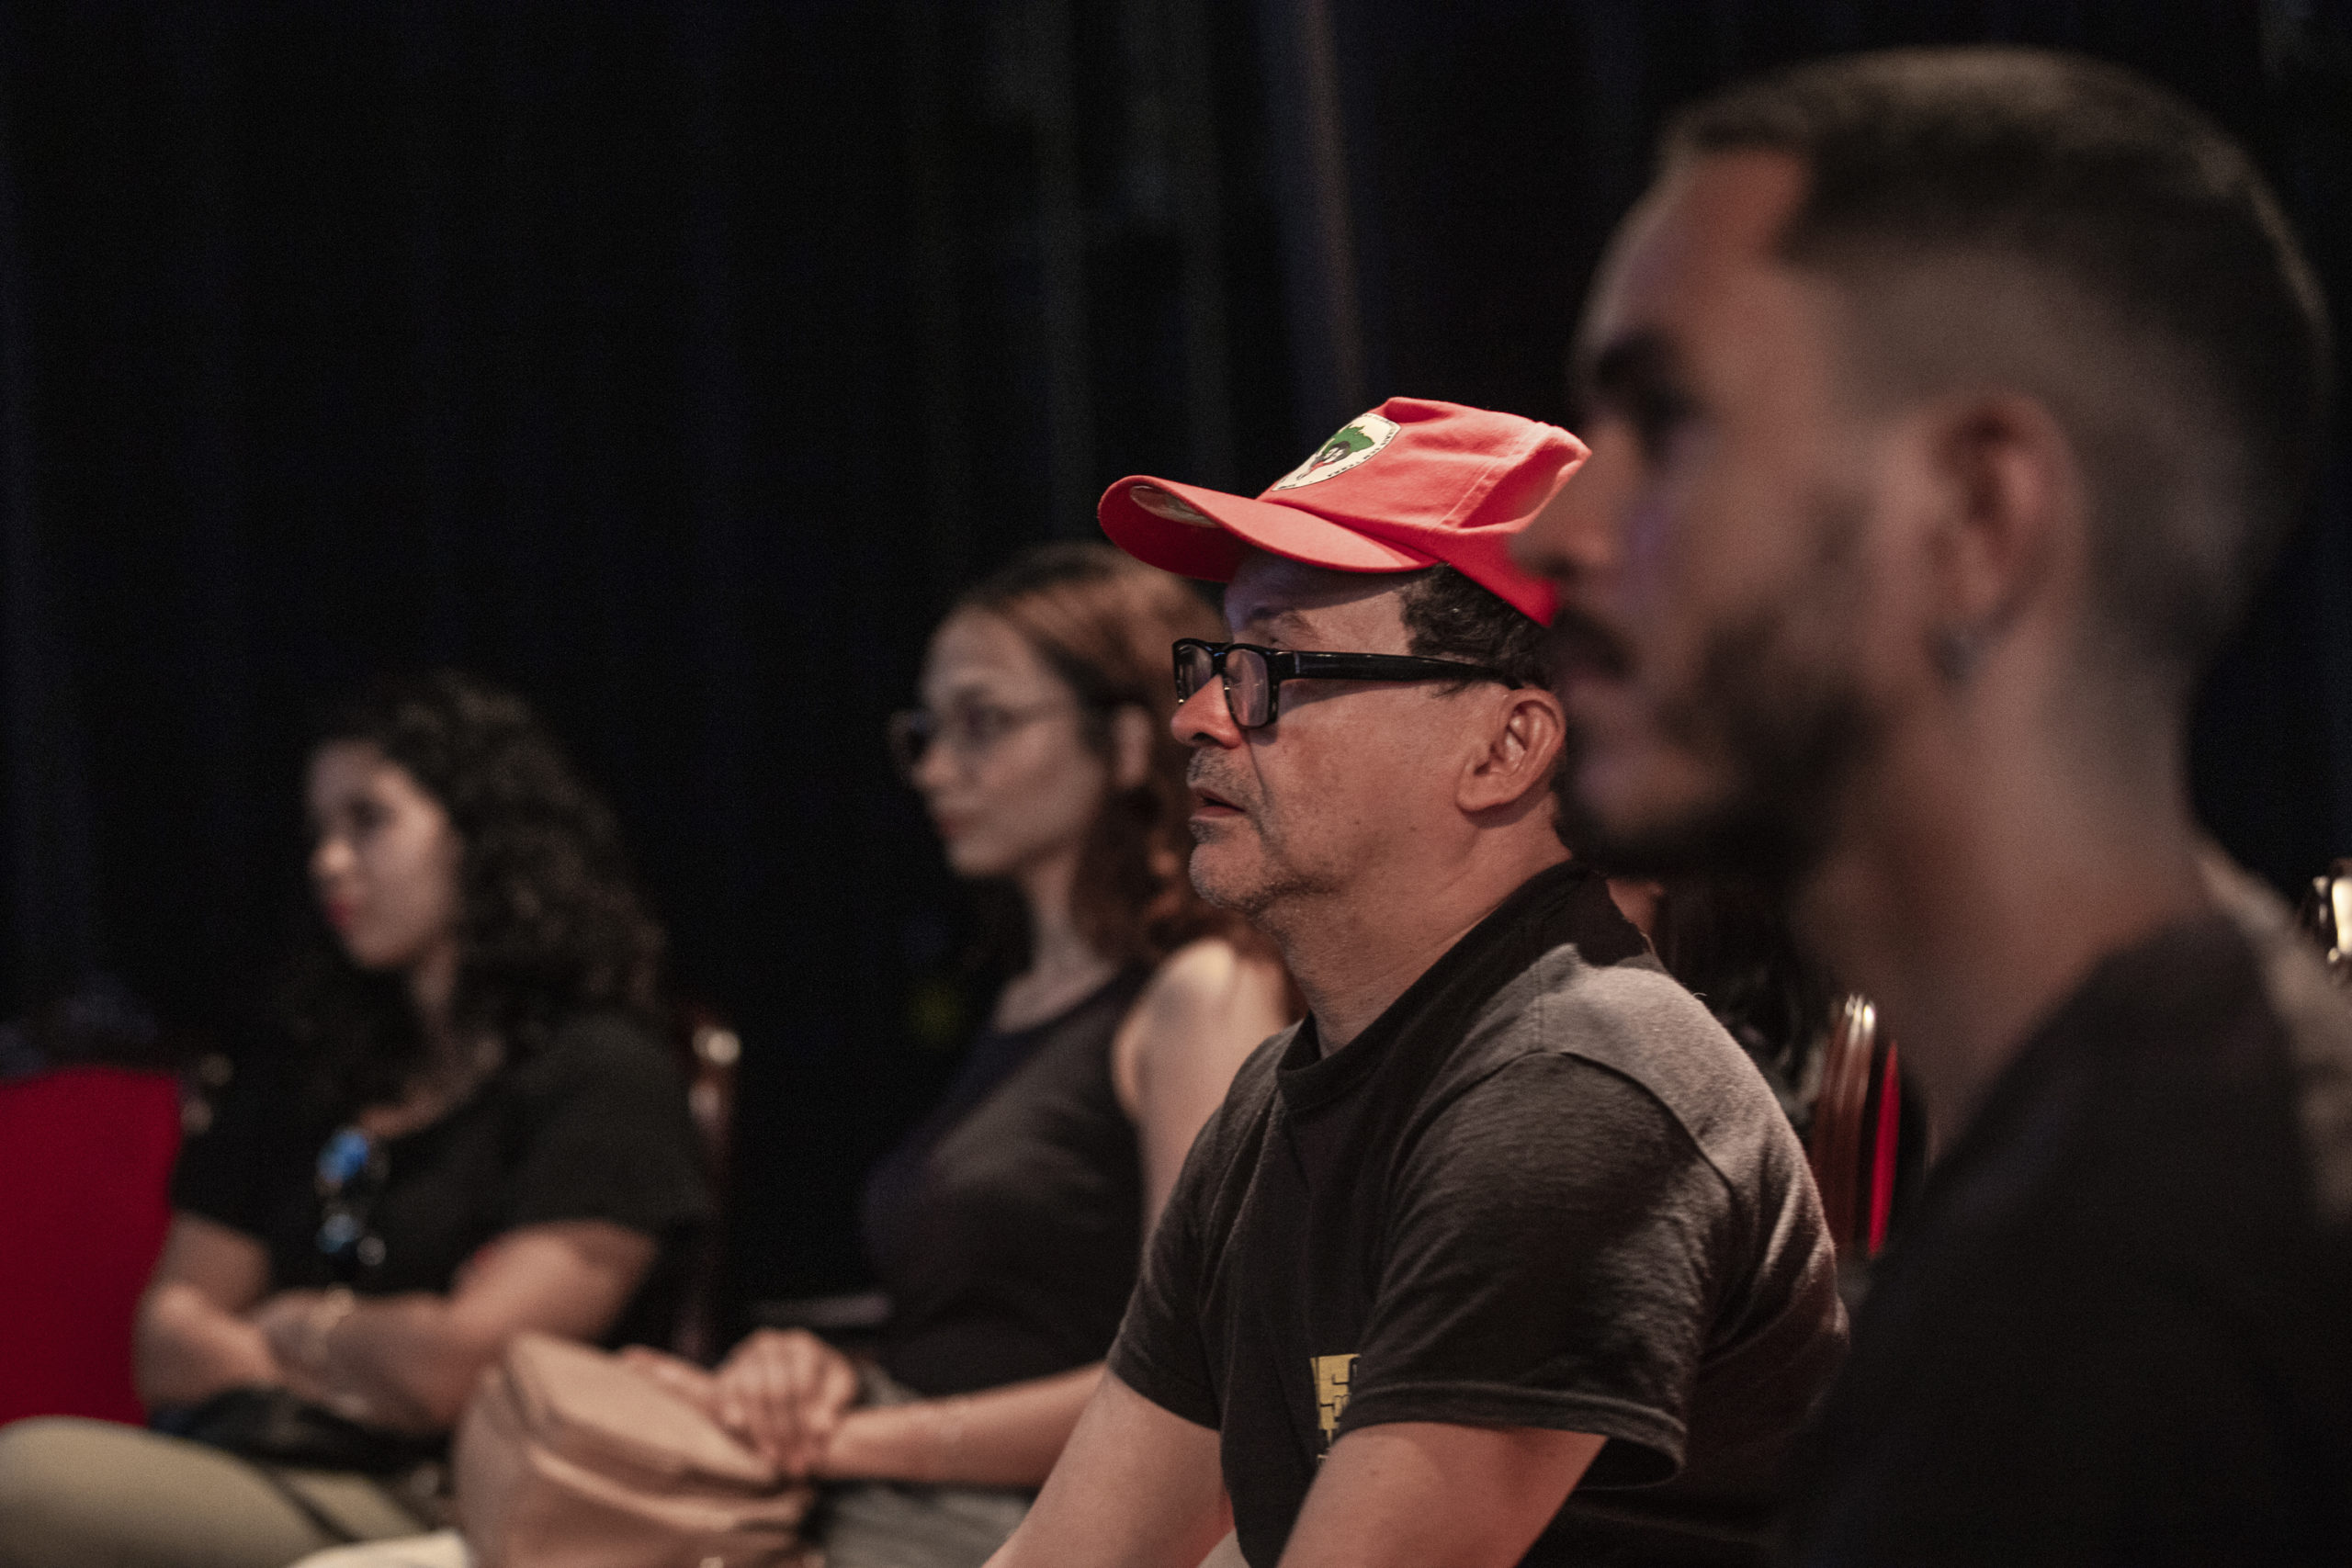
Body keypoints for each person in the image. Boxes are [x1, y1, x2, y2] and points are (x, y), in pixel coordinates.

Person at [1512, 46, 2347, 1563]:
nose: (1557, 532)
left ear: (1976, 517)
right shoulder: (2136, 1180)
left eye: (1667, 421)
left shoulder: (2143, 1306)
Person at [989, 398, 1846, 1568]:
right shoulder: (1270, 1105)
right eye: (1214, 661)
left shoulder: (1575, 1089)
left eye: (1271, 667)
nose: (1195, 717)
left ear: (1507, 747)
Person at [604, 542, 1293, 1568]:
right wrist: (819, 1374)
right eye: (927, 731)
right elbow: (981, 1332)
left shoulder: (1202, 991)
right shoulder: (1020, 998)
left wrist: (849, 1439)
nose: (934, 768)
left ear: (1121, 740)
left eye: (983, 723)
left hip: (1022, 1525)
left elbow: (1202, 1375)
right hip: (903, 1498)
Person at [0, 671, 711, 1568]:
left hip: (465, 1498)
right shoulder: (311, 1071)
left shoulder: (601, 1076)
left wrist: (298, 1323)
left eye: (367, 821)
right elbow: (166, 1343)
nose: (329, 862)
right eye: (320, 833)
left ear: (482, 834)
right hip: (264, 1455)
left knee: (21, 1483)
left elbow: (463, 1369)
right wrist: (367, 1361)